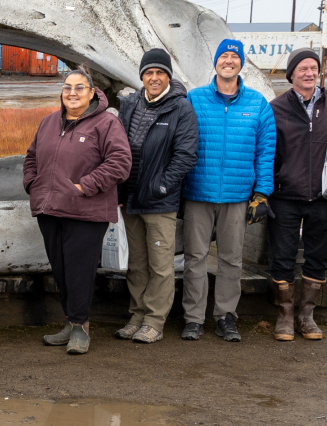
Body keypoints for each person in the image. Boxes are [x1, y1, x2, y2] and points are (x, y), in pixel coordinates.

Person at [26, 68, 132, 355]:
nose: (72, 93)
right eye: (67, 87)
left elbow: (120, 162)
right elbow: (31, 157)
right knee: (60, 270)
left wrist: (85, 186)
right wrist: (33, 185)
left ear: (92, 92)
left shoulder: (106, 123)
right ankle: (70, 322)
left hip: (86, 211)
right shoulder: (48, 122)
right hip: (50, 209)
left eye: (79, 88)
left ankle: (81, 328)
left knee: (79, 272)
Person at [182, 39, 276, 343]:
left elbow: (265, 151)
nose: (229, 61)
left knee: (231, 259)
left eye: (234, 56)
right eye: (224, 55)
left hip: (237, 196)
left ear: (241, 63)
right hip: (198, 191)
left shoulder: (257, 103)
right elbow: (181, 143)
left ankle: (225, 316)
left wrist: (261, 192)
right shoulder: (194, 99)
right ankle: (193, 318)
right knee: (195, 258)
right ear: (216, 62)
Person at [267, 48, 327, 341]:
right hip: (285, 196)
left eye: (313, 68)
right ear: (291, 73)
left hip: (322, 198)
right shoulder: (276, 108)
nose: (309, 73)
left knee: (317, 257)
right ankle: (284, 316)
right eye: (302, 68)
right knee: (282, 257)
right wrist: (269, 188)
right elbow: (266, 154)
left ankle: (307, 316)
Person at [114, 49, 199, 344]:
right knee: (136, 263)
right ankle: (137, 315)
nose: (154, 78)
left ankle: (154, 320)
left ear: (168, 77)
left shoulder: (181, 109)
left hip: (160, 201)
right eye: (149, 73)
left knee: (160, 265)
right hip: (130, 198)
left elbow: (185, 156)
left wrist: (161, 186)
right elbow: (119, 149)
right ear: (141, 77)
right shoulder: (130, 104)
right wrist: (120, 190)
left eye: (160, 73)